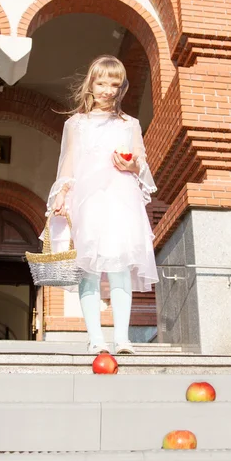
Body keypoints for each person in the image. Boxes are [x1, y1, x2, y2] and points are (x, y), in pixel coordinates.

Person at [43, 55, 159, 355]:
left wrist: (131, 166)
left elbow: (142, 163)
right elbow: (68, 162)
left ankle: (122, 338)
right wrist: (60, 194)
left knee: (120, 269)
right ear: (91, 84)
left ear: (121, 88)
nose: (108, 89)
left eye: (115, 84)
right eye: (102, 82)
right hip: (87, 200)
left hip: (121, 199)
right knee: (88, 269)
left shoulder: (130, 124)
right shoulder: (76, 124)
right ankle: (95, 338)